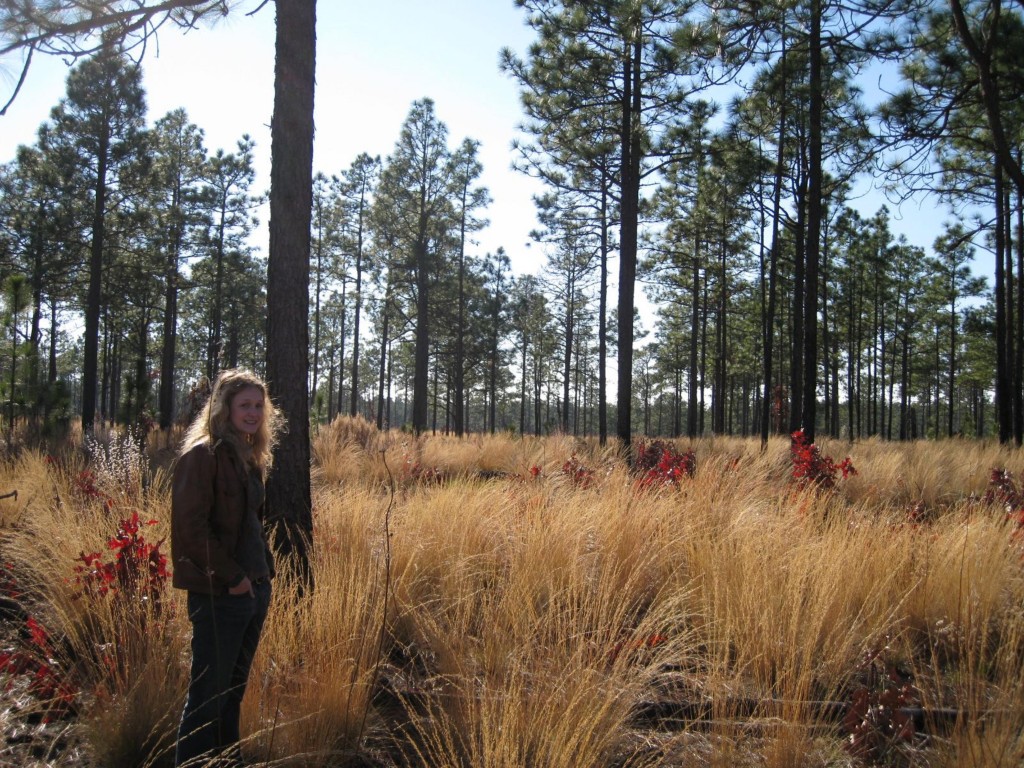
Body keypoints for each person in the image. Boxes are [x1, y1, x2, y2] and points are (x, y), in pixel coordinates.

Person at [171, 368, 282, 767]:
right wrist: (233, 578)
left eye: (258, 405)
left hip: (253, 590)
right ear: (224, 408)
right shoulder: (204, 455)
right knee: (207, 698)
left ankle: (225, 762)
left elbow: (250, 524)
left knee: (232, 693)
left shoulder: (248, 454)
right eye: (244, 405)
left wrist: (259, 577)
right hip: (221, 593)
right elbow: (190, 529)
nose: (253, 413)